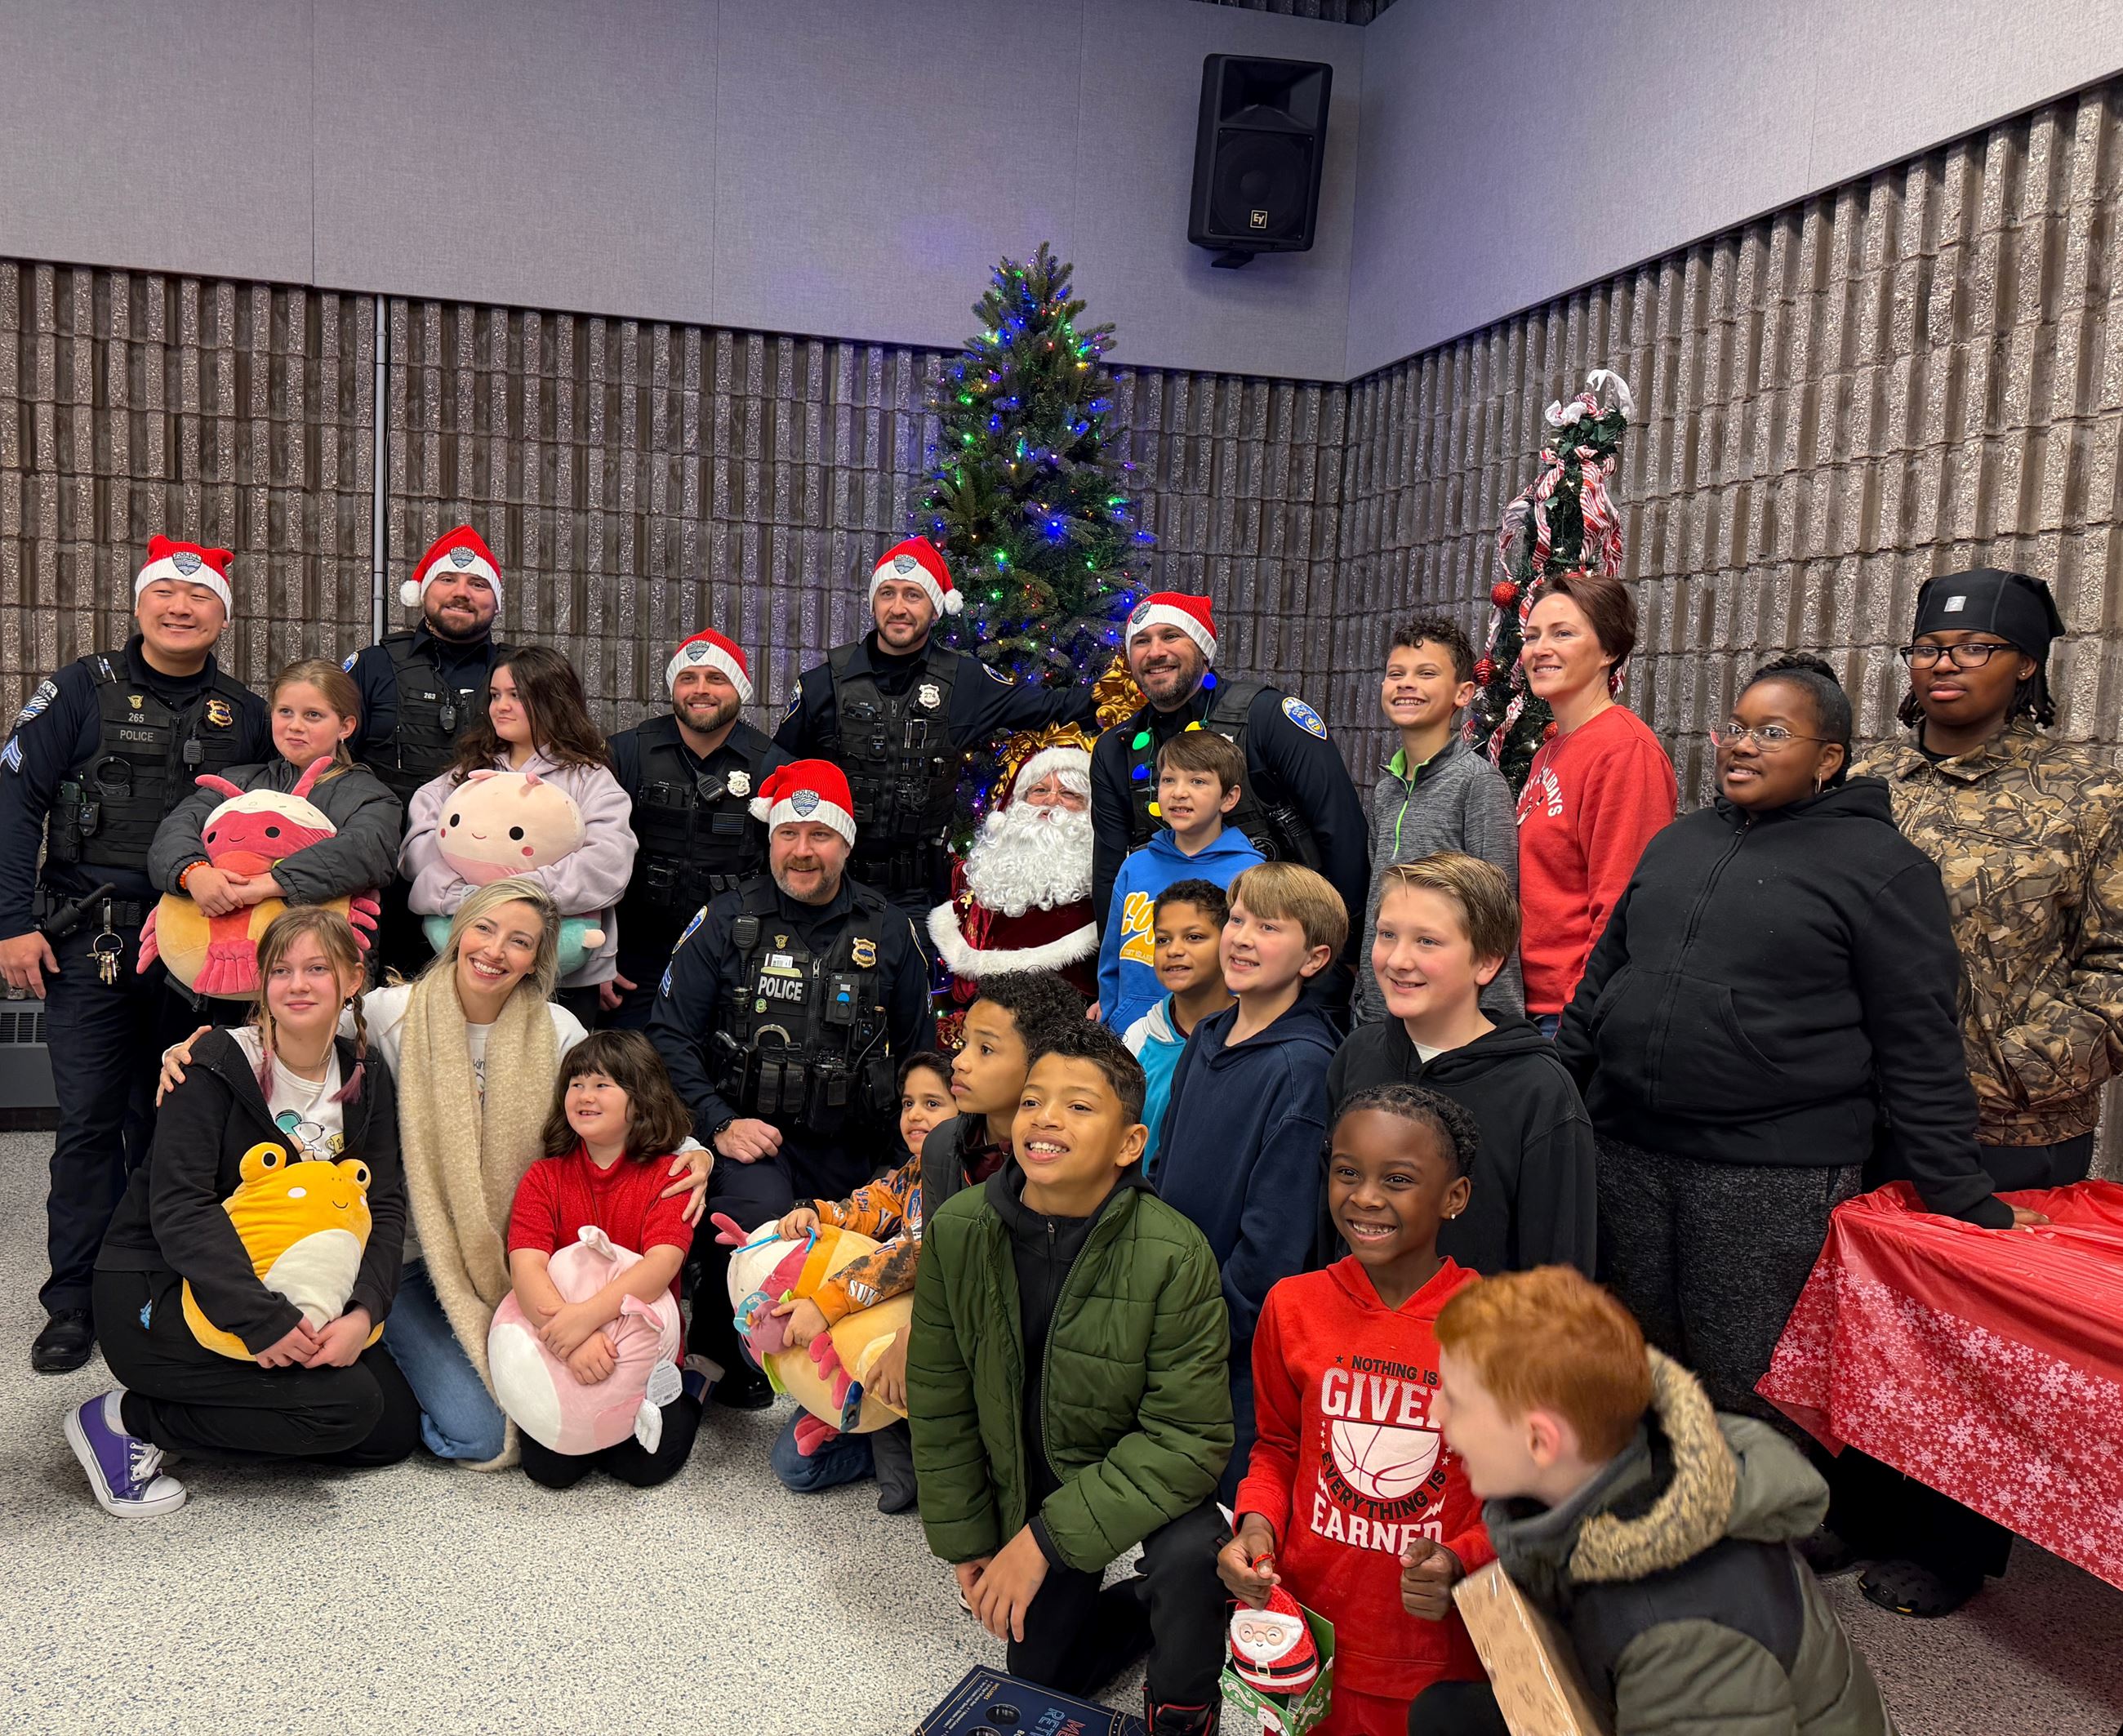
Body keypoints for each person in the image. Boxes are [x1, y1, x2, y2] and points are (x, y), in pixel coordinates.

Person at [1556, 655, 2034, 1435]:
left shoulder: (1884, 870)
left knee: (1750, 1383)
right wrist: (1558, 1102)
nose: (1742, 746)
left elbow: (1919, 1045)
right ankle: (1657, 1532)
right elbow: (1602, 986)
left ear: (1829, 759)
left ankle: (1757, 1549)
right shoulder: (1677, 844)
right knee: (1635, 1365)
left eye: (1771, 732)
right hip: (1629, 1154)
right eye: (1735, 728)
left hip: (1769, 1175)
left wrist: (1962, 1195)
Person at [158, 878, 712, 1467]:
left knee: (535, 1422)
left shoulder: (555, 1030)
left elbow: (621, 1097)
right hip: (407, 1259)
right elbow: (295, 1022)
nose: (496, 951)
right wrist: (195, 1048)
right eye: (484, 929)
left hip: (516, 1260)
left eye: (519, 942)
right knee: (480, 1435)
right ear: (456, 933)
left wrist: (694, 1150)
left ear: (536, 961)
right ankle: (387, 1349)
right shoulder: (389, 1014)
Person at [1843, 566, 2123, 1618]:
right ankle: (1861, 1501)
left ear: (2027, 666)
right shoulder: (1864, 777)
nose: (1942, 662)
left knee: (1975, 1341)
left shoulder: (2087, 797)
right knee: (1872, 1316)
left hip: (2006, 1120)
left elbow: (2116, 966)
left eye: (1970, 647)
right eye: (1927, 646)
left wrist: (2009, 1060)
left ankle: (1951, 1544)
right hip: (1857, 1102)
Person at [907, 1024, 1231, 1736]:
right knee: (1045, 1683)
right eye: (1032, 1101)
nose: (1046, 1118)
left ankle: (1182, 1711)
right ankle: (1134, 1606)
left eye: (1079, 1107)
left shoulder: (1175, 1252)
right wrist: (972, 1540)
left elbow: (1189, 1439)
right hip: (1030, 1476)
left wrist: (1041, 1544)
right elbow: (941, 1397)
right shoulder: (961, 1228)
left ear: (1128, 1144)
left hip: (1134, 1471)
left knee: (1193, 1556)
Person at [1409, 1266, 1894, 1736]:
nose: (1435, 1411)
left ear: (1540, 1442)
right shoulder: (1629, 1456)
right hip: (1647, 1690)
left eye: (1457, 1400)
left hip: (1694, 1697)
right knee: (1446, 1714)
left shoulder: (1681, 1633)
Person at [0, 536, 271, 1373]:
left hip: (206, 953)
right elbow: (16, 798)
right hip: (97, 940)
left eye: (200, 600)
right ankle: (73, 1299)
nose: (181, 608)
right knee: (87, 1124)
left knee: (180, 1122)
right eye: (165, 595)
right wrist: (12, 919)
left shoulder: (249, 712)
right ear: (139, 604)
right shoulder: (81, 689)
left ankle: (160, 1278)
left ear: (223, 616)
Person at [73, 908, 416, 1516]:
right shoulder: (212, 1066)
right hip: (161, 1285)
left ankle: (259, 1409)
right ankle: (127, 1420)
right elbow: (180, 1209)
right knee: (346, 1407)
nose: (298, 984)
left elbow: (383, 1206)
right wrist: (262, 1322)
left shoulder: (366, 1075)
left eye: (317, 968)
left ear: (353, 978)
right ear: (262, 983)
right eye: (280, 970)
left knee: (386, 1434)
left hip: (292, 1282)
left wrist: (363, 1313)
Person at [648, 759, 934, 1407]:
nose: (802, 851)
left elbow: (922, 1055)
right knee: (760, 1238)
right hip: (757, 1138)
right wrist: (718, 1121)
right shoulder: (723, 921)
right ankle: (726, 1353)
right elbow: (667, 1037)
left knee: (869, 1253)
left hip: (858, 1147)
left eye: (820, 835)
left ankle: (843, 1384)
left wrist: (910, 1163)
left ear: (847, 842)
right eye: (788, 834)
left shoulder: (892, 931)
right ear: (770, 839)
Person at [1218, 1086, 1493, 1736]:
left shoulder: (1499, 1326)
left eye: (1398, 1179)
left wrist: (1463, 1556)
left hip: (1430, 1649)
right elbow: (1278, 1448)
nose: (1365, 1197)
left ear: (1454, 1196)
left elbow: (1523, 1497)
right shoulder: (1293, 1307)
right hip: (1308, 1631)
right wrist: (1256, 1528)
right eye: (1347, 1173)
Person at [768, 970, 1084, 1508]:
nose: (961, 1060)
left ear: (1041, 1067)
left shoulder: (1062, 1158)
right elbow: (935, 1252)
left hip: (1029, 1351)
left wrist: (904, 1335)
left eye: (985, 1049)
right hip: (945, 1319)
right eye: (964, 1044)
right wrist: (822, 1216)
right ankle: (894, 1439)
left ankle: (919, 1449)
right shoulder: (946, 1147)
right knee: (792, 1465)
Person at [776, 536, 1095, 927]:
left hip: (919, 895)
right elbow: (777, 776)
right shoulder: (822, 683)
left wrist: (1128, 691)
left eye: (913, 595)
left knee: (910, 987)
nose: (898, 608)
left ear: (936, 607)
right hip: (830, 883)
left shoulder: (965, 681)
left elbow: (1053, 709)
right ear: (873, 602)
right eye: (887, 593)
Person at [1153, 861, 1344, 1503]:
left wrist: (1208, 1332)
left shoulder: (1303, 1067)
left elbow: (1276, 1240)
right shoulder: (1208, 1034)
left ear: (1314, 958)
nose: (1240, 938)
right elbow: (1164, 1162)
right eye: (1236, 920)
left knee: (1228, 1504)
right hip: (1175, 1313)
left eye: (1268, 927)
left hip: (1232, 1344)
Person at [1088, 590, 1369, 1008]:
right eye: (1141, 642)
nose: (1155, 652)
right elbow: (1111, 872)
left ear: (1203, 651)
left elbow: (1340, 831)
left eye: (1170, 636)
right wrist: (1114, 993)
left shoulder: (1268, 717)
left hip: (1287, 969)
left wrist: (1341, 956)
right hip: (1163, 978)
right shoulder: (1115, 748)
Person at [1328, 856, 1596, 1275]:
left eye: (1427, 941)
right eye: (1387, 935)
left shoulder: (1540, 1090)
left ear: (1487, 962)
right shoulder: (1356, 1054)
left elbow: (1558, 1266)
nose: (1398, 959)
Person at [505, 1030, 703, 1489]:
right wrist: (574, 1339)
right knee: (550, 1471)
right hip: (563, 1344)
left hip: (642, 1354)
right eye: (576, 1083)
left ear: (641, 1099)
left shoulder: (670, 1175)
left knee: (642, 1469)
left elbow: (659, 1268)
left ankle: (695, 1389)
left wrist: (585, 1320)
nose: (585, 1096)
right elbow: (526, 1268)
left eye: (602, 1084)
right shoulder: (544, 1177)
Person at [401, 645, 637, 1025]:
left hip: (563, 976)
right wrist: (462, 894)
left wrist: (514, 892)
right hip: (474, 966)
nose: (500, 707)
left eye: (516, 696)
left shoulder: (588, 778)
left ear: (553, 701)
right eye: (495, 696)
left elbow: (607, 863)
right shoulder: (467, 773)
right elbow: (421, 846)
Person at [345, 524, 514, 974]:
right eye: (448, 580)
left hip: (488, 885)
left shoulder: (519, 674)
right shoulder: (374, 664)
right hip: (382, 881)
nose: (462, 593)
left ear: (495, 601)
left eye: (478, 584)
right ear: (422, 592)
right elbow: (333, 765)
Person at [602, 628, 790, 1030]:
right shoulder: (625, 751)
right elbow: (592, 856)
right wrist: (598, 958)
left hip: (732, 957)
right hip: (635, 957)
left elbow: (787, 870)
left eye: (715, 678)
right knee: (629, 1077)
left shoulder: (773, 766)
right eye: (688, 678)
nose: (700, 689)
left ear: (738, 689)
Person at [1513, 572, 1676, 1035]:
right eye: (1531, 636)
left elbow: (1622, 907)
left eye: (1563, 633)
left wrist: (1581, 1023)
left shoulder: (1624, 751)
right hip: (1524, 1004)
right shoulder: (1550, 750)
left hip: (1569, 1016)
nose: (1540, 649)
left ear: (1609, 650)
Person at [149, 658, 403, 941]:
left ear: (345, 727)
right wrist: (193, 872)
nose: (295, 726)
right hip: (221, 961)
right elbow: (176, 828)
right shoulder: (235, 781)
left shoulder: (372, 797)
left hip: (321, 964)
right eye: (285, 712)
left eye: (313, 715)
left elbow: (365, 851)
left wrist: (268, 884)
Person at [1355, 616, 1521, 1024]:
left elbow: (1497, 914)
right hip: (1378, 1007)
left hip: (1448, 1015)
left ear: (1463, 693)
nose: (1406, 683)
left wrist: (1500, 1024)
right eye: (1396, 673)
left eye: (1426, 673)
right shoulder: (1386, 789)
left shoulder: (1478, 784)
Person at [1097, 728, 1261, 1036]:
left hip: (1214, 1037)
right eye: (1169, 780)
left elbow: (1253, 964)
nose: (1178, 792)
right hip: (1131, 1037)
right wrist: (1111, 1020)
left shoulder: (1250, 875)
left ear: (1229, 798)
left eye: (1197, 781)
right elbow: (1111, 962)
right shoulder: (1135, 867)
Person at [928, 728, 1100, 1008]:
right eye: (1039, 790)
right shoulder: (994, 883)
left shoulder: (1102, 896)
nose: (1051, 801)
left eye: (1069, 793)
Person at [1122, 879, 1235, 1177]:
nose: (1174, 950)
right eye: (1163, 940)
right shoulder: (1138, 1038)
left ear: (1229, 943)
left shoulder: (1250, 1035)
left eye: (1194, 937)